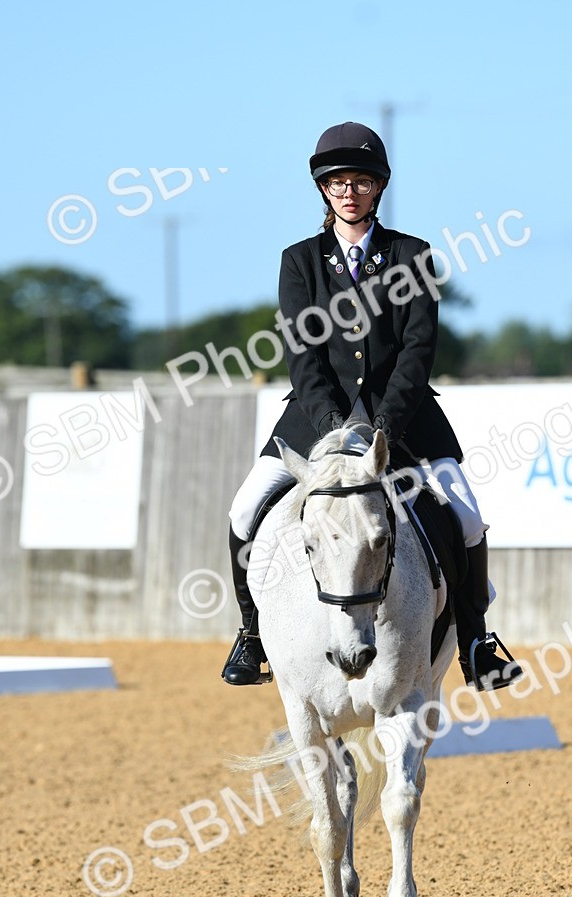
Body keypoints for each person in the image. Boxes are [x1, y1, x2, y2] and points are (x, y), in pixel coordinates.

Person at [222, 121, 522, 692]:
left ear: (378, 187)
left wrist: (384, 423)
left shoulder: (413, 255)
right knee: (244, 511)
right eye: (338, 183)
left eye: (360, 181)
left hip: (405, 418)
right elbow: (302, 352)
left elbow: (418, 349)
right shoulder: (300, 261)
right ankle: (251, 633)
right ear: (324, 190)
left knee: (465, 515)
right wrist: (337, 426)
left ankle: (477, 641)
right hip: (315, 417)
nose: (349, 192)